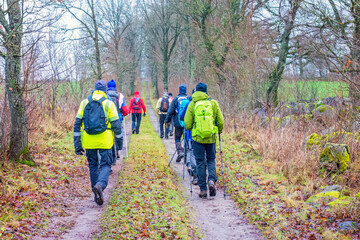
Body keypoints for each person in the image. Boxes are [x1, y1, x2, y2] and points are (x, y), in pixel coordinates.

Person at [73, 80, 123, 205]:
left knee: (93, 165)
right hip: (105, 141)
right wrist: (119, 143)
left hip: (89, 140)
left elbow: (77, 124)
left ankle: (96, 192)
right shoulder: (109, 104)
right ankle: (100, 186)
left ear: (94, 90)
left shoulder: (84, 103)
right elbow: (117, 125)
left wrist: (78, 145)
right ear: (105, 90)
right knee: (106, 164)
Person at [184, 82, 224, 199]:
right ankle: (211, 180)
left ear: (196, 91)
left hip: (197, 139)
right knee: (211, 159)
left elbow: (187, 124)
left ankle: (202, 189)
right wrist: (219, 130)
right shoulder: (213, 103)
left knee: (200, 162)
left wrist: (191, 128)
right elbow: (220, 121)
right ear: (206, 91)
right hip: (211, 138)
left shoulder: (192, 104)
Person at [107, 79, 129, 161]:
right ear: (115, 86)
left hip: (107, 119)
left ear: (107, 86)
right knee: (118, 135)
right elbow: (125, 110)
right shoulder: (120, 96)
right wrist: (124, 114)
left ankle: (112, 156)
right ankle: (119, 152)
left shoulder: (105, 95)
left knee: (110, 136)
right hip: (118, 119)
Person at [179, 88, 198, 185]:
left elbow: (182, 117)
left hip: (190, 133)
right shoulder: (209, 102)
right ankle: (202, 171)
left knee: (191, 150)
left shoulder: (189, 103)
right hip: (203, 134)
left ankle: (191, 167)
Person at [165, 84, 187, 162]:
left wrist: (167, 121)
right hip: (187, 123)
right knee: (186, 139)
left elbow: (170, 111)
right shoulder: (189, 99)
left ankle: (180, 152)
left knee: (177, 138)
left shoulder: (176, 99)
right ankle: (186, 156)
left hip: (178, 122)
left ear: (179, 90)